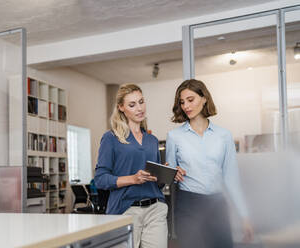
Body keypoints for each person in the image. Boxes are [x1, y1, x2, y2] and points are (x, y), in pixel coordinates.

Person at [166, 79, 254, 248]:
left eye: (190, 100)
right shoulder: (174, 137)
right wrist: (172, 173)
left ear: (204, 98)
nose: (186, 106)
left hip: (217, 206)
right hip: (188, 205)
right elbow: (170, 176)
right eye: (182, 102)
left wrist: (244, 216)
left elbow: (231, 178)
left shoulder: (224, 136)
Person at [94, 84, 168, 248]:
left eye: (141, 102)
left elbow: (158, 183)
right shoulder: (111, 138)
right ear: (121, 108)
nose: (139, 108)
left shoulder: (152, 140)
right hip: (126, 210)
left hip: (155, 209)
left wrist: (164, 173)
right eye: (132, 104)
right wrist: (133, 179)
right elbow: (100, 179)